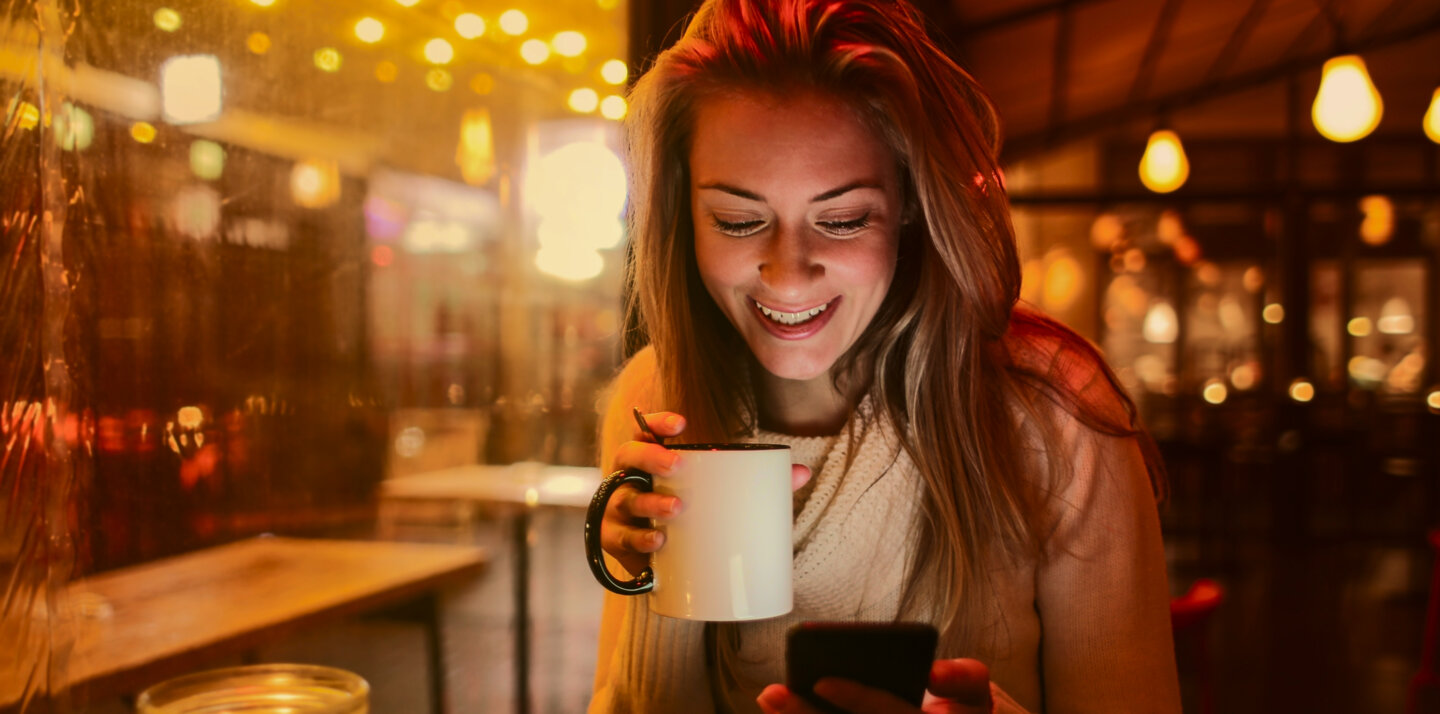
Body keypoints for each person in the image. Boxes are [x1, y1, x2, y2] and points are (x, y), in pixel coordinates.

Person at [591, 0, 1182, 711]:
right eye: (739, 220)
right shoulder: (656, 392)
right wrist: (653, 579)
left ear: (908, 203)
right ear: (683, 214)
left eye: (841, 220)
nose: (788, 271)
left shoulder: (1052, 413)